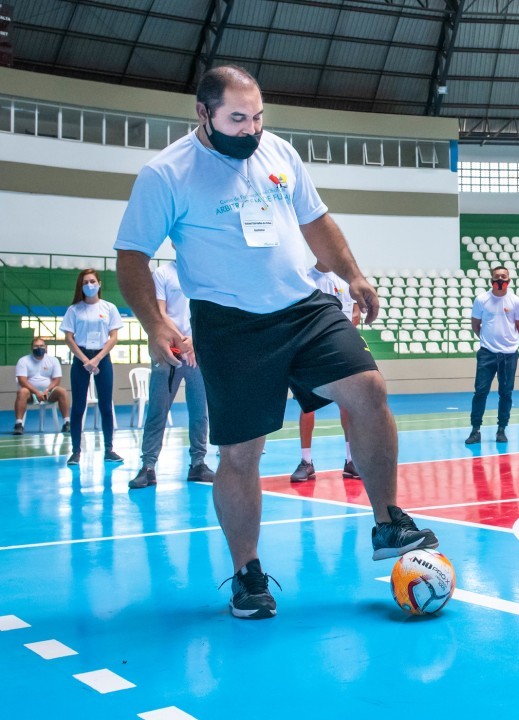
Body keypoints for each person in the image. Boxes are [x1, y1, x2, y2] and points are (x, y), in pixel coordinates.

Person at [114, 64, 438, 620]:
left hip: (303, 305)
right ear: (204, 113)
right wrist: (156, 323)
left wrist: (354, 274)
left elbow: (316, 222)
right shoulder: (166, 174)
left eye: (258, 116)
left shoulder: (278, 154)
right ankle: (248, 574)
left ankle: (387, 522)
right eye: (237, 118)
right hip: (230, 323)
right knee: (241, 452)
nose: (251, 129)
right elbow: (131, 256)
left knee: (368, 389)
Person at [128, 259, 214, 489]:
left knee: (199, 412)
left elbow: (208, 312)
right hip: (168, 352)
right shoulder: (163, 273)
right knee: (157, 410)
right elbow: (160, 313)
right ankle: (148, 467)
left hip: (196, 353)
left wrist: (194, 341)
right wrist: (180, 341)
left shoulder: (202, 271)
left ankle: (198, 463)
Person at [290, 261, 363, 482]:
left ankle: (351, 461)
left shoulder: (346, 282)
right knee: (307, 408)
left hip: (339, 351)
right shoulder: (305, 277)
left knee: (347, 408)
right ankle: (306, 462)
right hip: (310, 351)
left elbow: (355, 315)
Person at [60, 268, 124, 466]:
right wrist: (84, 360)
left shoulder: (109, 308)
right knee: (78, 406)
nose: (89, 285)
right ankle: (76, 451)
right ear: (81, 286)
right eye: (85, 282)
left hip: (102, 358)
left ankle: (109, 449)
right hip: (81, 358)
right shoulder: (74, 310)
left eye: (92, 281)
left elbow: (113, 337)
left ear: (99, 284)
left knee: (106, 405)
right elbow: (69, 338)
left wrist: (97, 359)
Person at [465, 265, 519, 445]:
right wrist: (488, 341)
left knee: (506, 393)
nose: (500, 279)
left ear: (509, 280)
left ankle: (502, 429)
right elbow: (476, 324)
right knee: (481, 391)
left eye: (503, 276)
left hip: (509, 354)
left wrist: (507, 341)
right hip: (487, 353)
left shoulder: (516, 302)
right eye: (497, 276)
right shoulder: (482, 300)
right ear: (491, 280)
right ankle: (475, 429)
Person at [13, 338, 70, 435]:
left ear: (46, 347)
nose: (39, 348)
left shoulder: (53, 360)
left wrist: (46, 391)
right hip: (30, 394)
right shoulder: (23, 361)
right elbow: (22, 380)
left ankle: (67, 423)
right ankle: (19, 424)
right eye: (36, 346)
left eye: (41, 346)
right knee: (22, 392)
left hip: (48, 393)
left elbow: (57, 380)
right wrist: (36, 392)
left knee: (62, 391)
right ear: (32, 348)